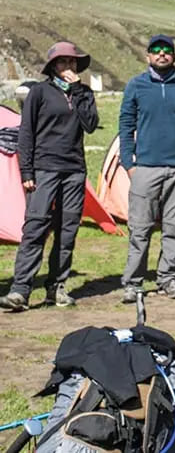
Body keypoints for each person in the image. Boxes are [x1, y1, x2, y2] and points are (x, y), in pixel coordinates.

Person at [0, 42, 98, 312]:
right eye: (63, 62)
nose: (68, 67)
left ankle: (58, 287)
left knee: (68, 230)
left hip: (75, 170)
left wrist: (78, 91)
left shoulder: (84, 93)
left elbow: (90, 125)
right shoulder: (39, 92)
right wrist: (26, 170)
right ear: (53, 66)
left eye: (73, 62)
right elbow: (26, 133)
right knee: (36, 227)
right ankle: (20, 290)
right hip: (44, 169)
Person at [119, 34, 175, 303]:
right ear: (148, 56)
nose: (161, 54)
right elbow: (125, 126)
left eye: (166, 50)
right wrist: (128, 164)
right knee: (140, 229)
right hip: (145, 169)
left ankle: (168, 278)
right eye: (156, 50)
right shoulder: (136, 86)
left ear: (174, 56)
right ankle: (133, 283)